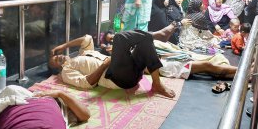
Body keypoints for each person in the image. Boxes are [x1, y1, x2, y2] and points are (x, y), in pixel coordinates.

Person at [50, 25, 178, 98]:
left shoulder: (83, 53)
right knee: (119, 38)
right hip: (118, 79)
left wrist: (63, 46)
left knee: (144, 42)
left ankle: (157, 84)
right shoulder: (66, 72)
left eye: (56, 55)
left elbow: (87, 38)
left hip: (130, 70)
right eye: (55, 60)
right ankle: (156, 35)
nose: (58, 57)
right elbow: (87, 83)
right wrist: (105, 64)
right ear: (57, 69)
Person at [0, 85, 90, 129]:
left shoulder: (56, 101)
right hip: (14, 114)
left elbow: (85, 114)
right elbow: (85, 115)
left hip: (35, 119)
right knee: (10, 89)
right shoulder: (7, 98)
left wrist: (60, 94)